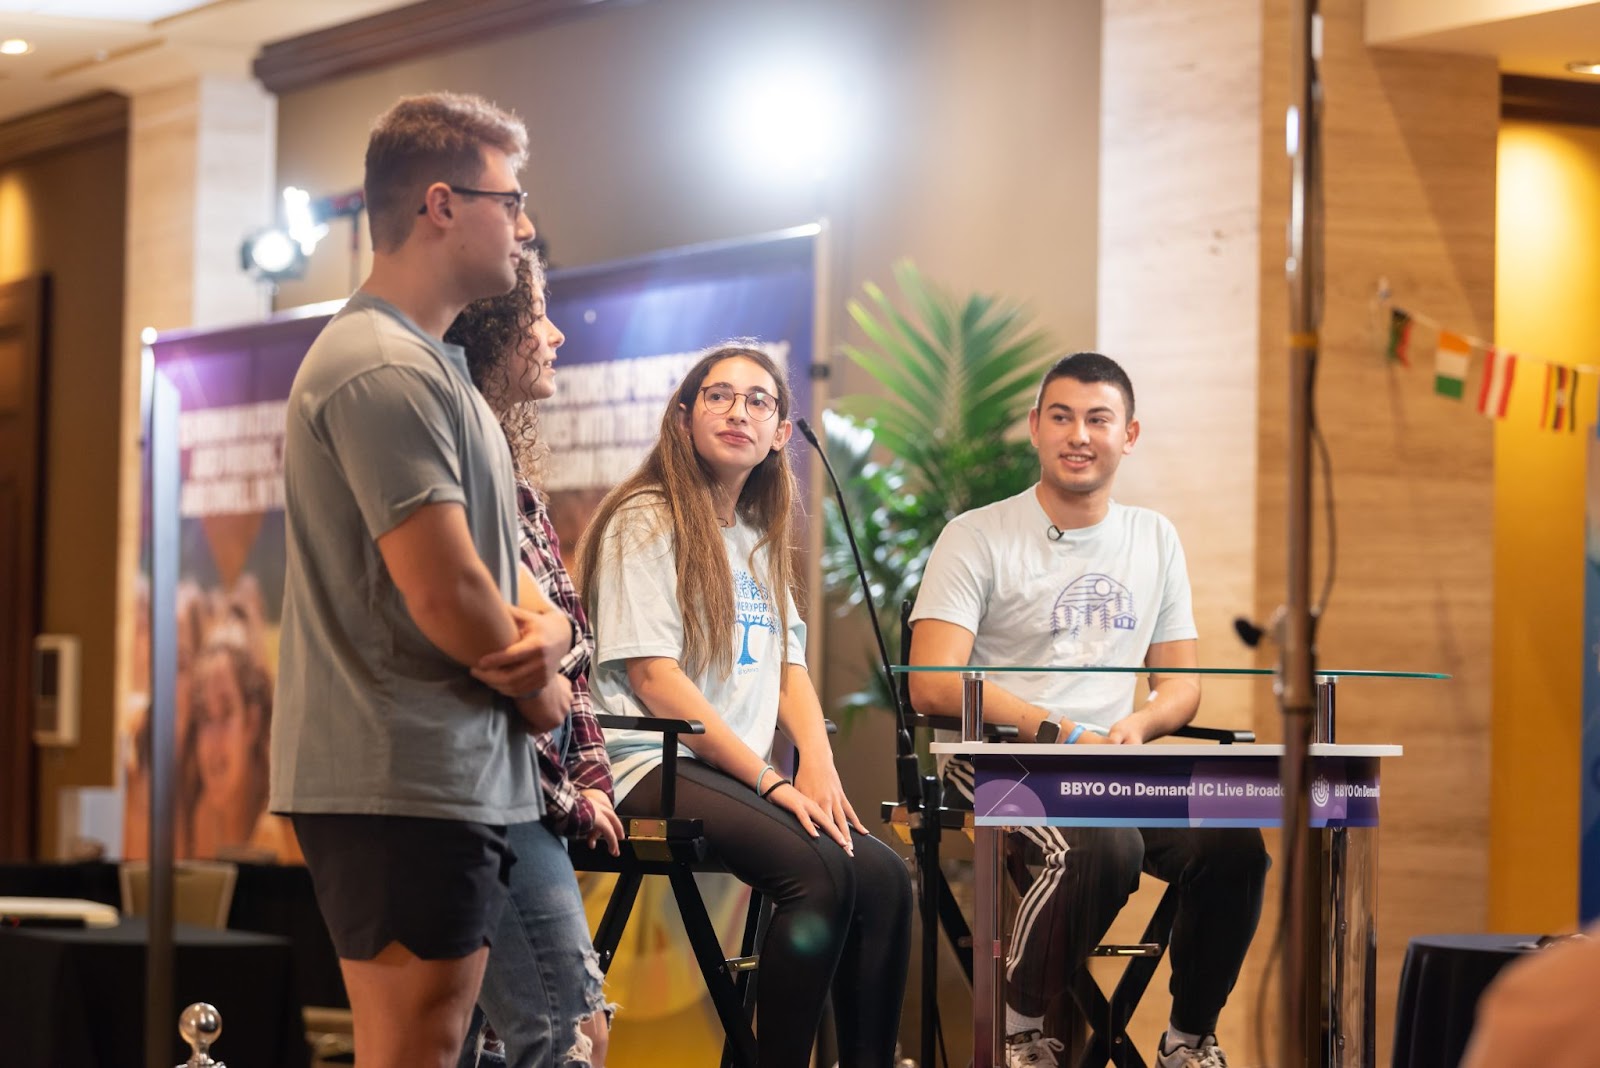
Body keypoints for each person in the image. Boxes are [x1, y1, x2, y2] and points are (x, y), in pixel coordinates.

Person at [270, 92, 575, 1068]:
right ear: (440, 205)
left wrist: (555, 636)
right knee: (414, 1049)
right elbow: (450, 598)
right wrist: (545, 695)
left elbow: (507, 574)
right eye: (509, 203)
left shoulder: (440, 368)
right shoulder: (379, 368)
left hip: (452, 775)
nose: (523, 229)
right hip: (397, 775)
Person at [908, 352, 1268, 1068]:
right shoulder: (976, 534)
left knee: (1234, 845)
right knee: (1105, 846)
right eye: (1062, 417)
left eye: (1098, 419)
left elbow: (1181, 685)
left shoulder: (1154, 537)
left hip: (1111, 762)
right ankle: (1017, 1031)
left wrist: (1140, 724)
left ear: (1128, 435)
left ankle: (1188, 1041)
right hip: (997, 758)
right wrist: (1058, 730)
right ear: (1035, 428)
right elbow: (932, 684)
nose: (1079, 435)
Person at [574, 345, 913, 1068]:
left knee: (884, 880)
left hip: (720, 769)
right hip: (646, 763)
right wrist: (769, 780)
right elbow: (654, 678)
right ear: (684, 417)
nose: (739, 412)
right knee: (819, 875)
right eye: (719, 396)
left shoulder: (756, 536)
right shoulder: (646, 517)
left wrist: (818, 762)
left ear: (781, 433)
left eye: (759, 401)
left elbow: (790, 668)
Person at [445, 251, 620, 1068]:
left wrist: (590, 780)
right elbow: (511, 678)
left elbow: (567, 666)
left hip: (525, 796)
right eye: (537, 317)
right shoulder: (464, 458)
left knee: (482, 1043)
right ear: (491, 333)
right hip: (497, 796)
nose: (555, 336)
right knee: (568, 1033)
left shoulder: (507, 471)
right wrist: (571, 799)